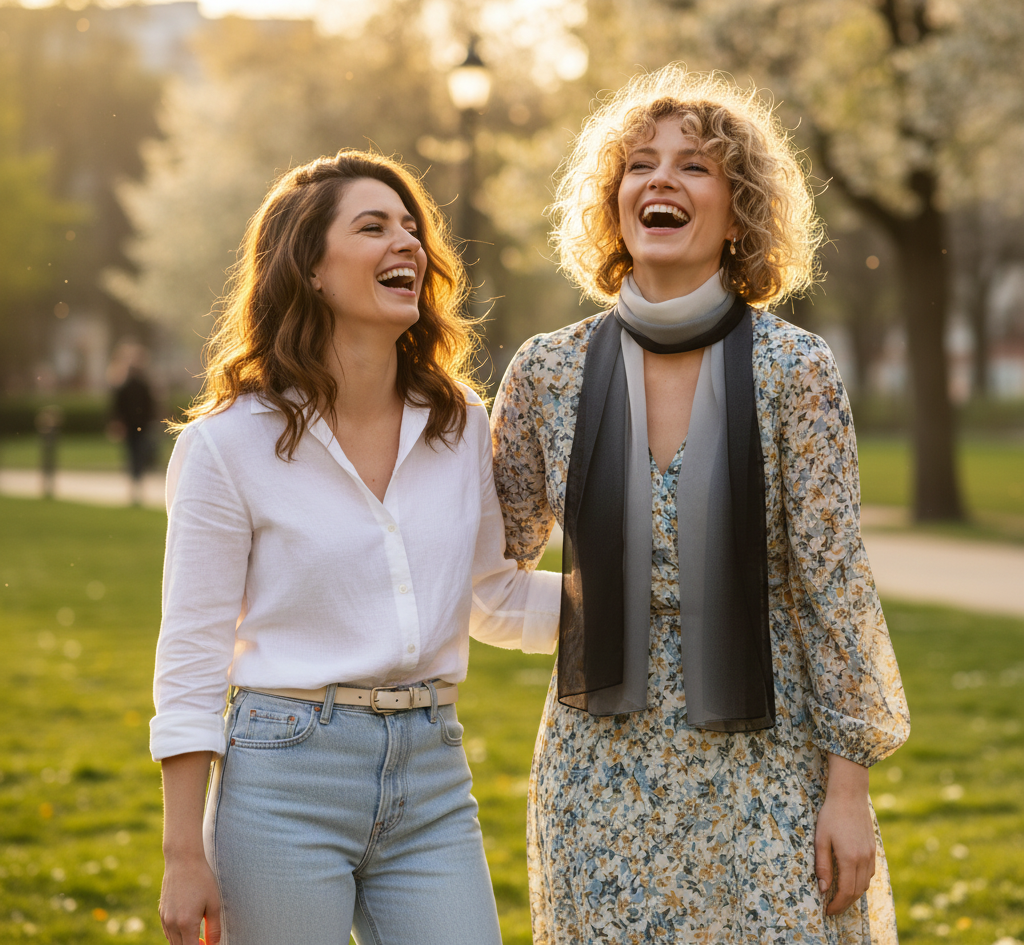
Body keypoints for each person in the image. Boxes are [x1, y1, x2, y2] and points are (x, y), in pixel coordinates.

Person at [490, 66, 910, 944]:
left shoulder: (795, 370)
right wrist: (592, 607)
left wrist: (849, 787)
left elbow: (834, 584)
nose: (661, 181)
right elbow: (486, 566)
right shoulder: (547, 373)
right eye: (639, 165)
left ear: (738, 209)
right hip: (599, 764)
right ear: (614, 203)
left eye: (694, 166)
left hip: (771, 751)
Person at [151, 149, 561, 945]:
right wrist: (180, 852)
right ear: (307, 267)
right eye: (372, 227)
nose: (406, 243)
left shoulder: (458, 421)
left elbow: (493, 597)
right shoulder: (227, 445)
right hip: (284, 777)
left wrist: (649, 600)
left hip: (432, 770)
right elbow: (193, 655)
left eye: (411, 228)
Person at [111, 359, 157, 506]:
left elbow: (117, 409)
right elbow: (151, 405)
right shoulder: (143, 386)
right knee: (138, 453)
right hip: (141, 426)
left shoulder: (124, 387)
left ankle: (135, 481)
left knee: (133, 454)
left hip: (132, 426)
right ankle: (137, 481)